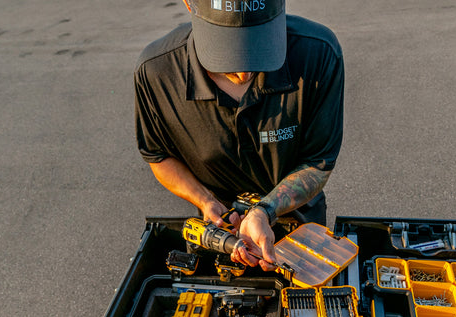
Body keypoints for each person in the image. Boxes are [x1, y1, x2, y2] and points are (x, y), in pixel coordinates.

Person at [134, 0, 344, 270]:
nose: (244, 72)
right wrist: (205, 199)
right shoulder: (157, 73)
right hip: (219, 234)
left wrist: (264, 211)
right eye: (224, 51)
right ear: (189, 3)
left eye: (261, 46)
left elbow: (317, 163)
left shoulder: (317, 55)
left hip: (301, 231)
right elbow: (158, 155)